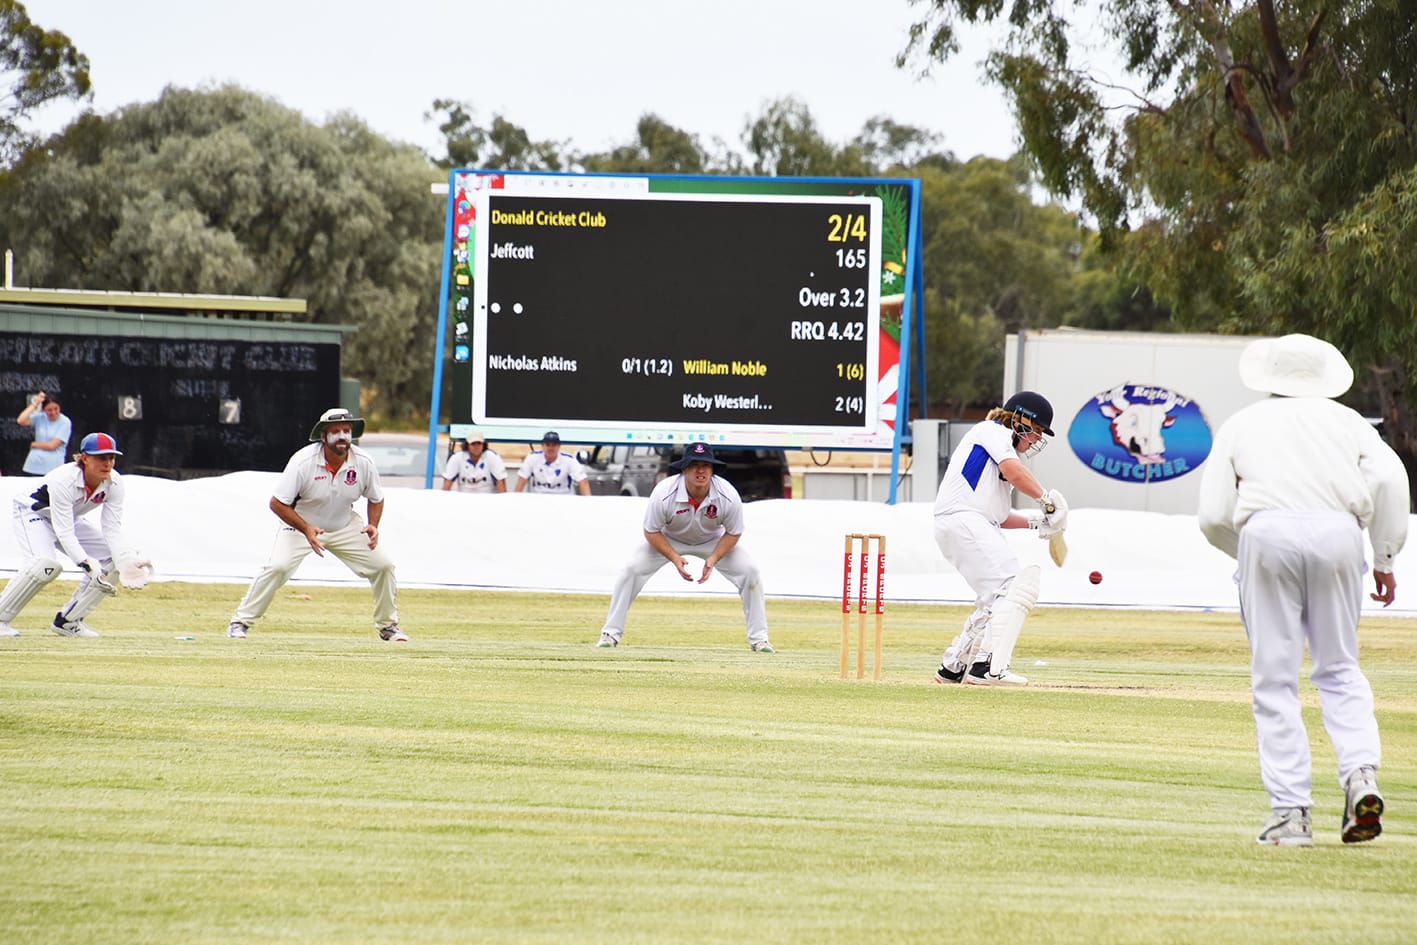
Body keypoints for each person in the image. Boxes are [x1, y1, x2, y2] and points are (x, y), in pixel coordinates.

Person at [1198, 333, 1407, 846]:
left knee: (1275, 681)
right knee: (1339, 668)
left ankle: (1291, 814)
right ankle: (1361, 776)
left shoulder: (1243, 423)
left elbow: (1213, 515)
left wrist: (1247, 554)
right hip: (1339, 530)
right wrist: (1383, 556)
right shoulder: (1349, 422)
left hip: (1266, 529)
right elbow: (1389, 481)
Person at [226, 407, 407, 642]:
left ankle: (388, 626)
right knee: (278, 567)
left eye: (346, 430)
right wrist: (306, 528)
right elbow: (277, 504)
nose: (342, 436)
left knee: (383, 566)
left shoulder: (363, 461)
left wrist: (373, 525)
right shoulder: (303, 462)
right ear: (323, 436)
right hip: (301, 525)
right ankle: (240, 622)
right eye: (336, 431)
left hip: (344, 524)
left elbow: (376, 498)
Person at [931, 391, 1067, 687]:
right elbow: (1016, 473)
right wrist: (1046, 501)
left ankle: (954, 666)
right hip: (963, 519)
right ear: (1020, 420)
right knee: (1011, 586)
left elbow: (1001, 517)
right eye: (1037, 431)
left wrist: (1038, 522)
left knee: (992, 599)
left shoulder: (999, 455)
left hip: (966, 522)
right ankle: (988, 667)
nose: (1036, 440)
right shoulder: (991, 431)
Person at [597, 442, 773, 651]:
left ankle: (760, 640)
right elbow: (651, 531)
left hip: (712, 540)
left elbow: (734, 532)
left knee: (750, 572)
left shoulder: (728, 494)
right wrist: (673, 557)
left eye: (706, 466)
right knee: (630, 570)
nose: (701, 470)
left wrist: (714, 558)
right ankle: (609, 635)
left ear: (712, 470)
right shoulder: (664, 492)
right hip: (668, 538)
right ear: (684, 469)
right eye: (694, 465)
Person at [0, 433, 152, 637]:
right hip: (33, 513)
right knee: (45, 564)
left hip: (66, 517)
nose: (107, 463)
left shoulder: (114, 483)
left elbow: (111, 528)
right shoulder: (64, 479)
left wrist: (125, 559)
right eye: (101, 458)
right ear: (84, 458)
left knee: (113, 560)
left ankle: (68, 622)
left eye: (111, 458)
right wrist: (89, 566)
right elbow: (65, 533)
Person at [514, 431, 590, 495]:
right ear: (542, 446)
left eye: (554, 445)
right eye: (548, 445)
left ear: (559, 446)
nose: (550, 448)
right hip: (539, 499)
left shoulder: (569, 460)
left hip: (563, 500)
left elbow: (583, 482)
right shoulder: (532, 457)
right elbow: (522, 479)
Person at [16, 391, 73, 476]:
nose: (53, 412)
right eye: (49, 410)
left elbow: (52, 446)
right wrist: (36, 403)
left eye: (56, 409)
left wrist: (35, 444)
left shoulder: (65, 422)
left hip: (53, 468)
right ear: (44, 410)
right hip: (33, 466)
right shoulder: (40, 417)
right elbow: (21, 420)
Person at [442, 429, 507, 493]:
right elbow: (447, 483)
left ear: (483, 444)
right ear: (467, 445)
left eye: (479, 443)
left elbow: (501, 481)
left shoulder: (493, 457)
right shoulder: (457, 458)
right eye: (473, 444)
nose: (476, 446)